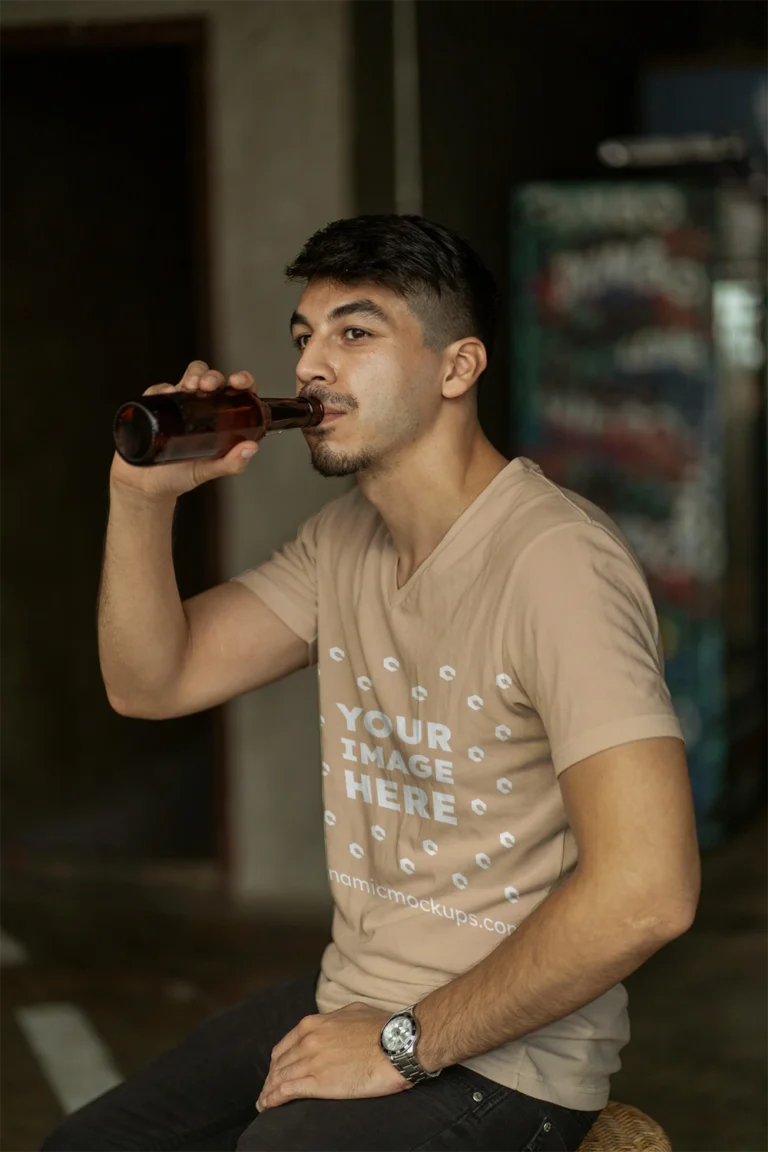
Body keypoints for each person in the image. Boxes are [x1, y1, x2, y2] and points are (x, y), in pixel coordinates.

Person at [47, 215, 700, 1152]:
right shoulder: (341, 543)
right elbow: (153, 682)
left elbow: (649, 891)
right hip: (351, 995)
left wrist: (403, 1045)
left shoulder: (557, 567)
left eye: (355, 333)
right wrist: (140, 499)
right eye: (304, 337)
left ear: (457, 367)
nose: (312, 365)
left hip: (505, 1061)